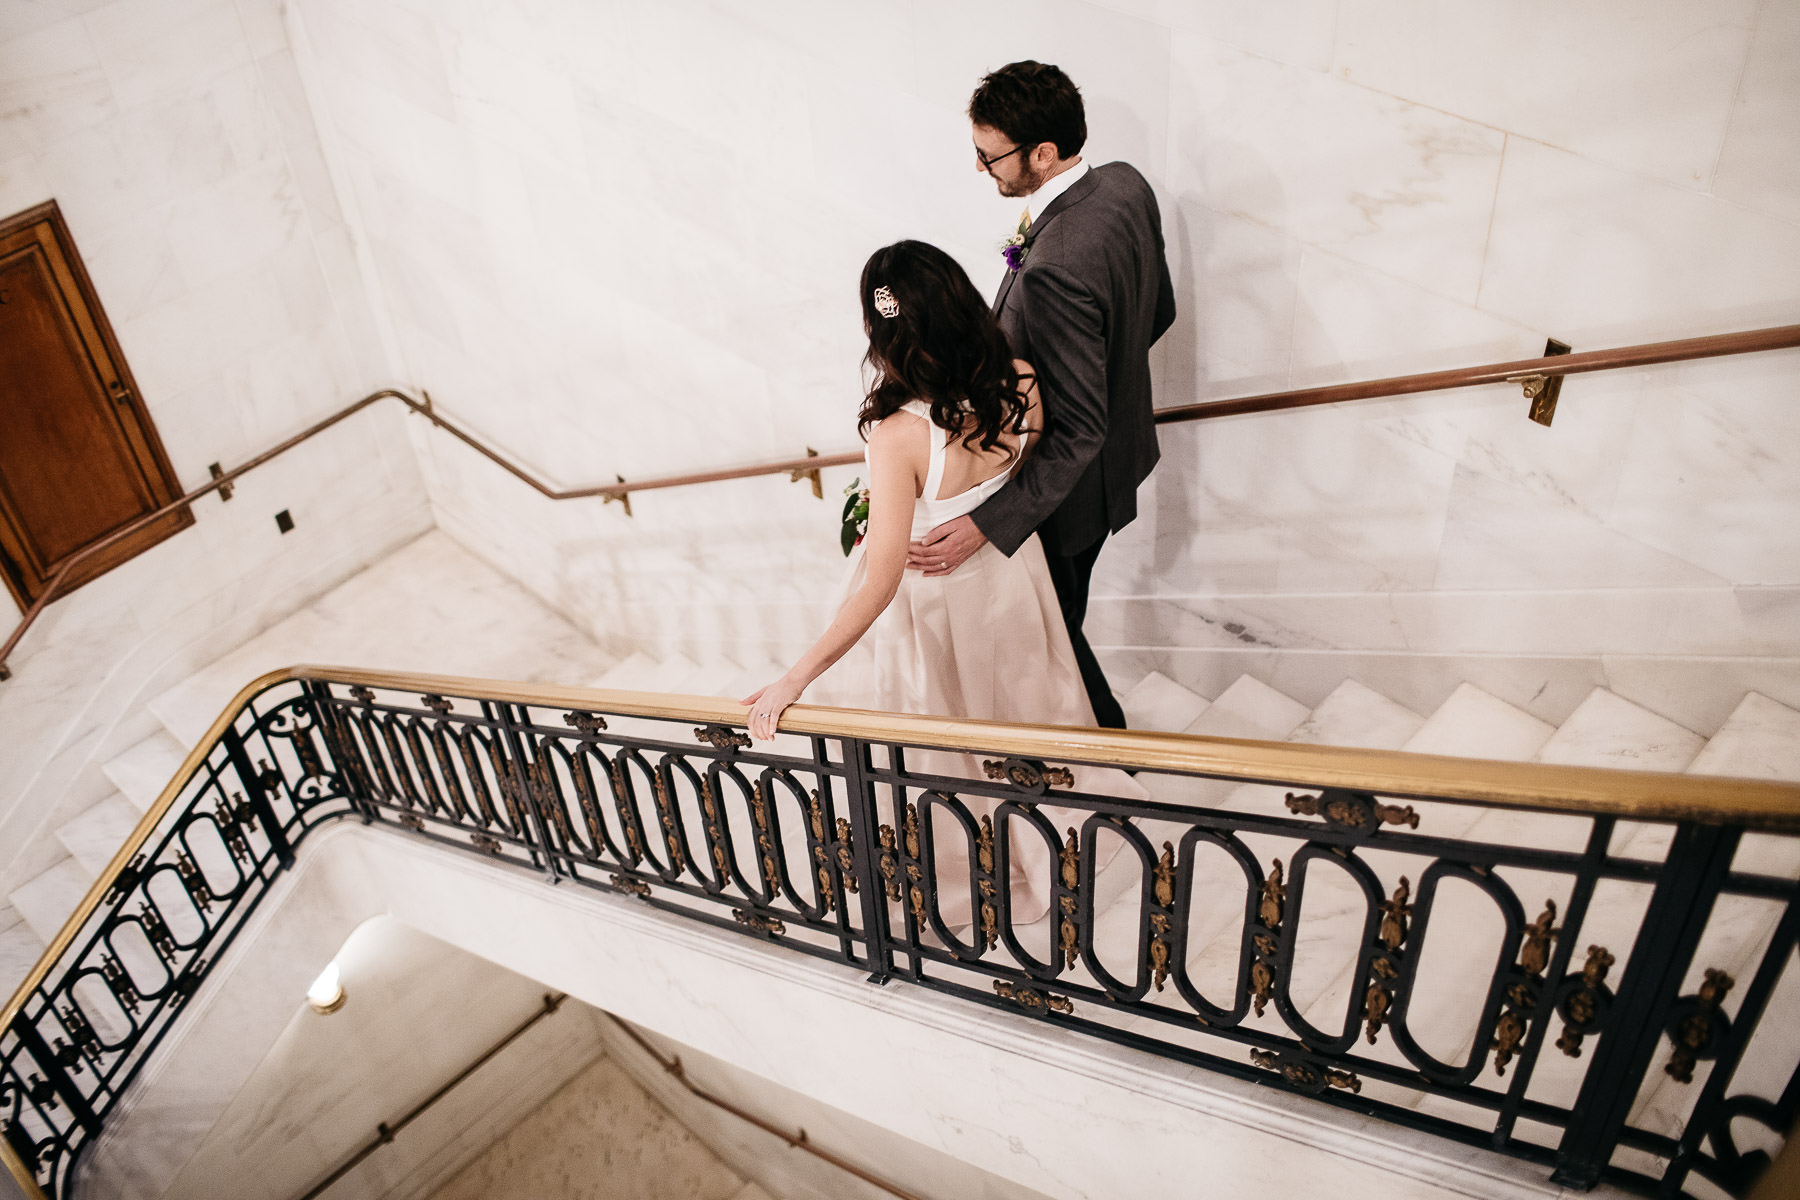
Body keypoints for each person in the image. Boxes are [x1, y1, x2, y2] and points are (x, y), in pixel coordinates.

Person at [741, 240, 1142, 926]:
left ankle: (977, 868)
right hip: (1014, 574)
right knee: (1019, 709)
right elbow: (1034, 448)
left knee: (952, 733)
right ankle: (1055, 846)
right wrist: (978, 516)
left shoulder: (896, 433)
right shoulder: (1017, 376)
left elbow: (879, 579)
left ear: (886, 330)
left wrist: (795, 677)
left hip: (935, 597)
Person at [908, 61, 1176, 730]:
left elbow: (1080, 430)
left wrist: (986, 525)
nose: (980, 168)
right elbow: (1159, 309)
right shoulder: (1123, 184)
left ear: (1043, 153)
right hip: (1122, 454)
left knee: (1053, 635)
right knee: (1058, 629)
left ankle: (1112, 753)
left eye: (988, 155)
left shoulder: (1056, 267)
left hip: (1070, 497)